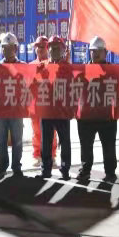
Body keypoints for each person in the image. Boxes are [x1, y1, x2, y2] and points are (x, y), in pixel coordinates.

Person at [77, 36, 118, 182]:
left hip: (106, 116)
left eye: (99, 51)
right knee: (86, 147)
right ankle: (85, 171)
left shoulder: (113, 71)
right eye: (93, 51)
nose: (95, 54)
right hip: (86, 117)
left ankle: (110, 173)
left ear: (105, 52)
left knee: (109, 146)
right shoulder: (82, 70)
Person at [38, 36, 72, 180]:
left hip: (62, 110)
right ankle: (46, 169)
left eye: (58, 48)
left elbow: (73, 88)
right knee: (46, 141)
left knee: (64, 141)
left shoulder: (68, 68)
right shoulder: (42, 66)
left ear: (63, 50)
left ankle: (65, 169)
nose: (55, 50)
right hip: (46, 110)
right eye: (52, 48)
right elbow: (34, 84)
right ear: (48, 50)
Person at [0, 32, 25, 178]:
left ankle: (16, 167)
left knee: (17, 140)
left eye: (10, 47)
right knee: (0, 140)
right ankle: (2, 166)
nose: (6, 50)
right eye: (4, 47)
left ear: (16, 48)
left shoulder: (23, 67)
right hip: (0, 109)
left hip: (16, 110)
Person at [30, 36, 56, 168]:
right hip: (35, 105)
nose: (39, 49)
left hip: (50, 105)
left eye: (42, 47)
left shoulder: (53, 65)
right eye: (37, 47)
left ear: (47, 48)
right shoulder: (31, 66)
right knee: (36, 131)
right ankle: (38, 156)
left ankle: (52, 156)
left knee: (51, 132)